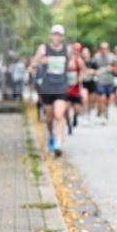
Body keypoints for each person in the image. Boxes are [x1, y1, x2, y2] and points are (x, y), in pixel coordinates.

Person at [29, 25, 72, 157]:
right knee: (49, 118)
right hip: (47, 87)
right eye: (54, 34)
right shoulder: (43, 49)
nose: (56, 37)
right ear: (51, 36)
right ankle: (51, 135)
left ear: (62, 37)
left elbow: (73, 64)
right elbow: (33, 65)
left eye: (59, 35)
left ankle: (58, 144)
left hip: (61, 87)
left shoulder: (67, 50)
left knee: (59, 115)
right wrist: (40, 58)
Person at [93, 42, 117, 124]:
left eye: (106, 48)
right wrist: (96, 72)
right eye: (102, 48)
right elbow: (92, 68)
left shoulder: (113, 57)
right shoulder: (96, 57)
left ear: (108, 49)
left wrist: (112, 69)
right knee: (102, 98)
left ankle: (106, 110)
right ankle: (103, 115)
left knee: (107, 99)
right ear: (100, 50)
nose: (104, 50)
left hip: (109, 81)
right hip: (100, 81)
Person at [65, 42, 85, 132]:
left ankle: (75, 117)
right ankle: (68, 125)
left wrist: (80, 78)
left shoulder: (79, 61)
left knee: (77, 109)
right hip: (66, 89)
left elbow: (84, 72)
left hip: (76, 89)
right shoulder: (65, 61)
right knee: (66, 108)